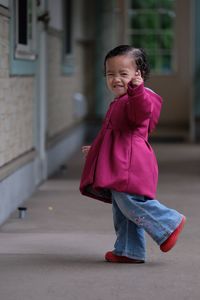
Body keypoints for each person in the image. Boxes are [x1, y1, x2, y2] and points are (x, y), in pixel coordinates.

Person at [79, 45, 186, 263]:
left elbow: (140, 115)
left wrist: (136, 90)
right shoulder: (120, 101)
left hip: (130, 163)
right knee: (122, 209)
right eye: (110, 74)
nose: (116, 79)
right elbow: (112, 134)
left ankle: (168, 223)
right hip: (121, 162)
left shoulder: (140, 98)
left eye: (123, 74)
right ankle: (129, 250)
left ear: (139, 75)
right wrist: (97, 150)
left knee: (129, 203)